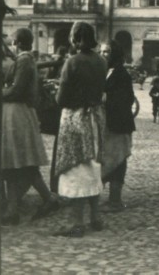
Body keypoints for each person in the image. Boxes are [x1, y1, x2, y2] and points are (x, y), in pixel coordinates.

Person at [0, 28, 60, 225]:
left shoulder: (24, 60)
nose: (11, 45)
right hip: (17, 114)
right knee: (21, 162)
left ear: (18, 42)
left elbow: (17, 90)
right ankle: (22, 206)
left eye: (13, 42)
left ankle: (13, 210)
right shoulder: (26, 59)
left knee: (16, 161)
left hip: (17, 115)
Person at [53, 22, 107, 238]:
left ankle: (77, 223)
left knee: (75, 167)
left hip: (75, 117)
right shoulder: (102, 61)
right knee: (93, 165)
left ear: (74, 39)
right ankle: (95, 217)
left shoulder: (72, 62)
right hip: (95, 116)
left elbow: (62, 98)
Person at [101, 40, 136, 213]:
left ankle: (115, 200)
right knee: (109, 158)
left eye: (106, 52)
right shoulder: (107, 72)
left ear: (114, 54)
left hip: (119, 124)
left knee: (118, 160)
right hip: (109, 124)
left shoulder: (122, 74)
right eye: (101, 52)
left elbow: (126, 99)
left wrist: (105, 98)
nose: (102, 55)